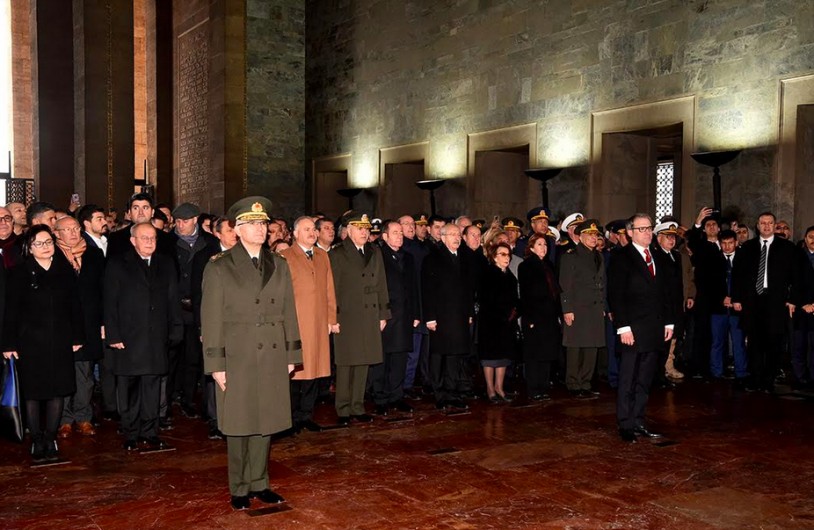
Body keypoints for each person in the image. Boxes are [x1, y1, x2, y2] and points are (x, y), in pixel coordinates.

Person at [201, 196, 302, 510]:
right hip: (238, 354)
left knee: (266, 420)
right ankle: (239, 486)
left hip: (271, 352)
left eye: (264, 223)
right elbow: (211, 318)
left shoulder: (279, 263)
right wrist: (216, 364)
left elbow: (289, 310)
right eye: (253, 224)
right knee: (239, 422)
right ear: (237, 229)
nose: (261, 229)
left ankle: (261, 482)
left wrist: (291, 354)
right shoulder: (220, 266)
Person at [2, 226, 84, 463]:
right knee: (34, 392)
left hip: (59, 339)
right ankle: (37, 438)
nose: (46, 246)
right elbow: (10, 312)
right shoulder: (19, 273)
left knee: (58, 389)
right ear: (29, 247)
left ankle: (51, 436)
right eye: (39, 243)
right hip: (30, 342)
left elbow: (75, 307)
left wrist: (77, 337)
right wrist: (8, 343)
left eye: (49, 242)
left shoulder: (65, 271)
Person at [104, 222, 183, 451]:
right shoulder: (118, 264)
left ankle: (150, 431)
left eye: (153, 238)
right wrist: (113, 335)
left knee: (152, 386)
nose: (149, 242)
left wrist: (176, 329)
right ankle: (130, 432)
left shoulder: (165, 263)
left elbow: (172, 299)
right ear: (133, 240)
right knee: (128, 388)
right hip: (128, 338)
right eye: (144, 238)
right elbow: (110, 303)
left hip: (157, 337)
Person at [608, 214, 674, 443]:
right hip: (632, 329)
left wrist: (669, 322)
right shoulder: (621, 257)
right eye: (642, 229)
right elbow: (616, 295)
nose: (648, 233)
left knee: (645, 378)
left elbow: (665, 292)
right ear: (630, 232)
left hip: (654, 327)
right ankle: (625, 423)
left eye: (650, 228)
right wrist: (623, 327)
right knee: (628, 377)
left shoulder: (657, 255)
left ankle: (639, 420)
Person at [329, 212, 391, 425]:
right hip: (347, 314)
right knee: (346, 363)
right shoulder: (337, 254)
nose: (365, 232)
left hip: (369, 314)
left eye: (366, 229)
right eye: (360, 229)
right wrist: (332, 317)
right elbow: (331, 289)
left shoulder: (374, 251)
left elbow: (382, 284)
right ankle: (343, 408)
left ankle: (358, 405)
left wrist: (383, 313)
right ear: (349, 230)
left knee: (364, 361)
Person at [732, 212, 800, 393]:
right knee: (754, 342)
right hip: (752, 302)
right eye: (763, 223)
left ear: (775, 225)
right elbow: (737, 275)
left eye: (770, 223)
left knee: (773, 342)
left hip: (776, 302)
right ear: (758, 225)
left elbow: (796, 277)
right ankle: (755, 378)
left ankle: (768, 380)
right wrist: (736, 298)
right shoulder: (747, 247)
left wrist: (792, 299)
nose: (767, 226)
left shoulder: (787, 248)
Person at [281, 217, 337, 432]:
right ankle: (291, 419)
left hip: (318, 323)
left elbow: (329, 289)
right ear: (295, 234)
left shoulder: (323, 256)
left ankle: (306, 415)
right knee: (295, 372)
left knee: (315, 370)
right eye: (306, 229)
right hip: (297, 323)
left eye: (313, 229)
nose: (312, 232)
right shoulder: (285, 256)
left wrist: (332, 319)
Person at [54, 215, 105, 439]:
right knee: (63, 373)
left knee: (85, 375)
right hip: (61, 325)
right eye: (67, 230)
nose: (74, 233)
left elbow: (103, 289)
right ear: (57, 234)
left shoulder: (93, 254)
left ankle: (83, 417)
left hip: (89, 323)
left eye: (76, 229)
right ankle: (63, 420)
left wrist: (103, 321)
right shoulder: (52, 255)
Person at [422, 223, 474, 410]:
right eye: (452, 234)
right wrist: (430, 317)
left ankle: (452, 391)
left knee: (454, 356)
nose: (457, 238)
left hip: (459, 316)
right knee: (439, 355)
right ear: (442, 237)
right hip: (440, 317)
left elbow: (468, 290)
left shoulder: (463, 258)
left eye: (458, 234)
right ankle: (439, 393)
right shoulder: (432, 258)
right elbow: (427, 290)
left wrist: (469, 313)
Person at [373, 220, 419, 414]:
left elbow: (414, 287)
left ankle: (396, 396)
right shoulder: (377, 256)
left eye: (401, 232)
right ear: (384, 236)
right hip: (386, 316)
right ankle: (380, 398)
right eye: (395, 232)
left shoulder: (408, 257)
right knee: (382, 360)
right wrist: (378, 314)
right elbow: (374, 287)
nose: (400, 235)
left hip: (405, 316)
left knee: (400, 358)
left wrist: (416, 313)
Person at [559, 219, 606, 397]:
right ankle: (573, 383)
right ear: (581, 236)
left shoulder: (599, 256)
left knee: (592, 346)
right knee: (575, 346)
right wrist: (567, 309)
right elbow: (565, 285)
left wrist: (602, 304)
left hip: (594, 308)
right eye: (590, 235)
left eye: (596, 235)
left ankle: (585, 382)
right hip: (577, 308)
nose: (594, 238)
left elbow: (601, 283)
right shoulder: (571, 256)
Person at [518, 233, 561, 400]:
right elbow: (527, 295)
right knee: (534, 354)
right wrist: (531, 319)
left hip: (549, 317)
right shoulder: (526, 266)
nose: (543, 248)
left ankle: (543, 387)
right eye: (540, 244)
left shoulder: (548, 265)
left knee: (546, 353)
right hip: (534, 317)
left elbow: (555, 293)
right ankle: (533, 388)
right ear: (531, 247)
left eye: (545, 245)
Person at [477, 242, 519, 403]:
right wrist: (501, 314)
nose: (506, 257)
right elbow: (485, 299)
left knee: (503, 356)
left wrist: (514, 312)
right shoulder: (488, 274)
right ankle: (490, 389)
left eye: (508, 254)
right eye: (502, 254)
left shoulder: (510, 276)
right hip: (490, 323)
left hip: (507, 323)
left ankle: (499, 388)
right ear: (494, 256)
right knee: (490, 357)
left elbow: (516, 299)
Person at [707, 229, 748, 383]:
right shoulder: (713, 260)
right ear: (720, 243)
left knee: (738, 342)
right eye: (724, 243)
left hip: (737, 309)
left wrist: (736, 298)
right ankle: (716, 372)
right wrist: (721, 298)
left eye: (730, 243)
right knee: (717, 341)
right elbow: (707, 284)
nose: (727, 246)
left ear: (736, 243)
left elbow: (747, 284)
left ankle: (741, 373)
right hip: (718, 309)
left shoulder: (744, 260)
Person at [652, 221, 687, 387]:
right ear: (659, 238)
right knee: (661, 343)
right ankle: (657, 376)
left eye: (673, 237)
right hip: (662, 307)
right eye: (667, 237)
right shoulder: (656, 256)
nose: (671, 240)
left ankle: (665, 371)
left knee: (671, 342)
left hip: (674, 305)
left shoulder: (676, 256)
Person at [794, 226, 814, 388]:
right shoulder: (797, 258)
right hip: (800, 309)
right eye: (810, 237)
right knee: (799, 345)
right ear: (805, 239)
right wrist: (802, 304)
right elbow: (792, 284)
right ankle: (800, 378)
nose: (813, 240)